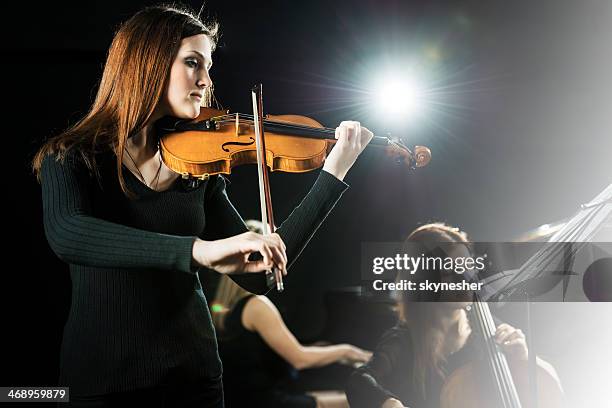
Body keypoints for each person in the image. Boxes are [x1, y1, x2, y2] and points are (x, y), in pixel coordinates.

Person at [31, 5, 373, 407]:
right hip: (103, 384)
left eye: (208, 66)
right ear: (148, 64)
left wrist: (331, 177)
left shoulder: (198, 173)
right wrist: (197, 250)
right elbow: (69, 233)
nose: (206, 81)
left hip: (195, 381)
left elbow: (260, 276)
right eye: (193, 63)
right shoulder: (72, 157)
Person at [345, 223, 535, 408]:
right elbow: (359, 381)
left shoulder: (490, 329)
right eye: (452, 272)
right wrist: (390, 403)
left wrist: (522, 358)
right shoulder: (403, 340)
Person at [211, 220, 372, 408]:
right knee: (355, 401)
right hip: (265, 401)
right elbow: (300, 359)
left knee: (337, 395)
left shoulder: (226, 307)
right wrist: (350, 351)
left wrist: (326, 350)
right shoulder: (256, 306)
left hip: (241, 399)